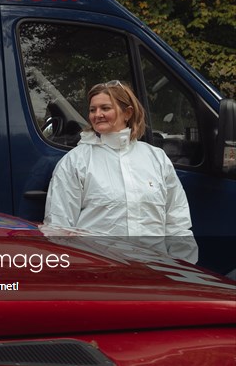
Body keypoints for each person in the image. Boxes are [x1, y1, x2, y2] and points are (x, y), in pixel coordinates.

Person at [44, 80, 198, 263]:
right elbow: (58, 226)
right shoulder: (75, 161)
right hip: (100, 275)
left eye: (105, 108)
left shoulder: (157, 159)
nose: (97, 114)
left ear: (128, 113)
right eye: (93, 110)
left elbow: (177, 223)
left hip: (155, 273)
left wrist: (183, 269)